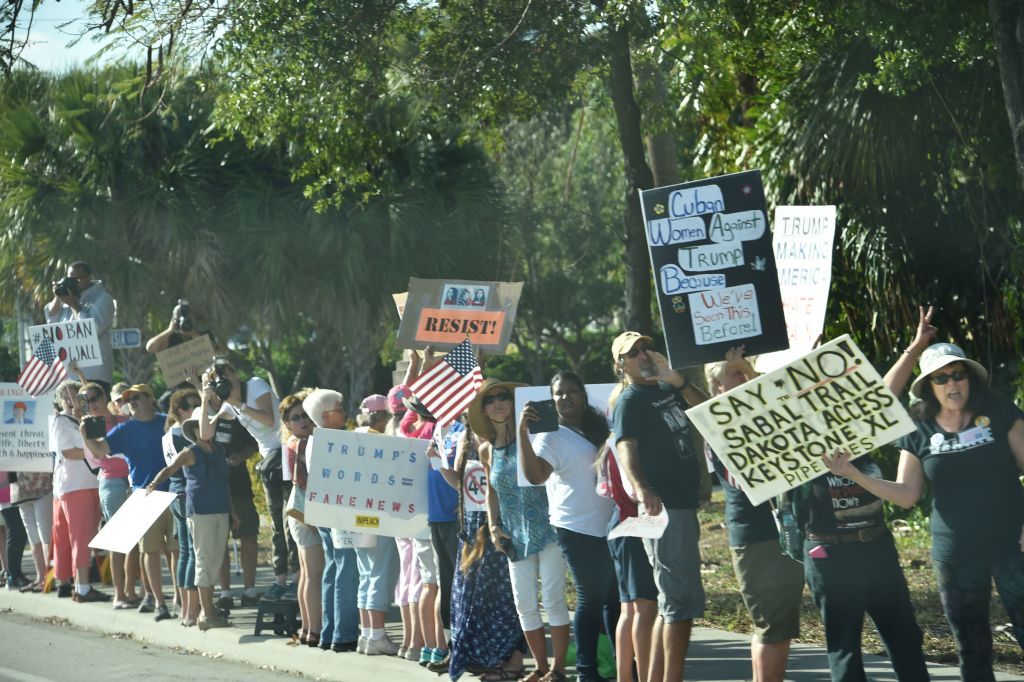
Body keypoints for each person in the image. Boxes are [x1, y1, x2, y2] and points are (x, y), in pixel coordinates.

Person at [824, 306, 1023, 681]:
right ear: (929, 387)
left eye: (958, 374)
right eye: (942, 377)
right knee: (973, 648)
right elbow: (905, 495)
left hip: (1013, 546)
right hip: (955, 556)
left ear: (969, 378)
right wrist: (851, 473)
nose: (952, 383)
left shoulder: (999, 412)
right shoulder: (917, 429)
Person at [611, 331, 709, 682]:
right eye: (632, 352)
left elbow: (707, 412)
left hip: (683, 503)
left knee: (678, 601)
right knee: (677, 601)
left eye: (645, 348)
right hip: (662, 507)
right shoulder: (630, 399)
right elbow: (625, 447)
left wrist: (678, 380)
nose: (643, 355)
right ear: (620, 365)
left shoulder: (668, 390)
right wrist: (643, 488)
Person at [704, 349, 804, 682]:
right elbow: (751, 479)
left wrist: (749, 369)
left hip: (777, 534)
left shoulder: (758, 414)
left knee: (779, 626)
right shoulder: (719, 425)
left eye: (748, 374)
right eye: (738, 375)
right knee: (772, 627)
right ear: (718, 386)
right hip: (756, 539)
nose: (747, 379)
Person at [518, 371, 619, 682]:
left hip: (612, 524)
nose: (565, 397)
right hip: (575, 526)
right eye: (559, 393)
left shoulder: (598, 425)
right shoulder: (551, 435)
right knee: (591, 596)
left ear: (583, 394)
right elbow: (535, 476)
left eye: (572, 391)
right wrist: (523, 433)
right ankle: (586, 672)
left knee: (614, 597)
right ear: (552, 398)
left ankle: (625, 665)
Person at [471, 378, 571, 682]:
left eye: (503, 397)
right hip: (514, 534)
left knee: (553, 599)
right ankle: (540, 667)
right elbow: (491, 490)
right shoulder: (487, 450)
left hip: (549, 526)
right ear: (484, 410)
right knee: (525, 604)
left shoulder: (536, 436)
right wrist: (493, 525)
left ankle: (557, 669)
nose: (498, 403)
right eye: (490, 400)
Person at [81, 383, 175, 621]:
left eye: (137, 397)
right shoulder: (125, 429)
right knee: (150, 551)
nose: (132, 401)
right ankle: (160, 603)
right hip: (143, 495)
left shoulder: (167, 421)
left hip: (174, 491)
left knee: (174, 551)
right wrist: (85, 434)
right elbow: (101, 450)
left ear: (151, 399)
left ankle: (180, 599)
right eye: (128, 398)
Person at [444, 425, 528, 680]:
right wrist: (438, 463)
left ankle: (512, 659)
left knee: (507, 596)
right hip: (473, 526)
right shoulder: (466, 438)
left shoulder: (512, 437)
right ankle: (478, 657)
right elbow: (460, 483)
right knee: (472, 596)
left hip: (506, 523)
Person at [147, 389, 234, 631]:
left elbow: (224, 483)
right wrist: (153, 485)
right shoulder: (190, 452)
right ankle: (205, 613)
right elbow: (169, 470)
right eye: (202, 424)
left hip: (220, 510)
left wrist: (232, 511)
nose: (207, 428)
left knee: (215, 561)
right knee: (203, 560)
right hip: (200, 511)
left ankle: (208, 610)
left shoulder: (220, 450)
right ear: (194, 429)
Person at [214, 360, 295, 600]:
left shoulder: (255, 385)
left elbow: (269, 420)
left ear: (235, 373)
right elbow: (209, 427)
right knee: (278, 523)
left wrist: (237, 403)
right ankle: (282, 579)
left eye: (226, 374)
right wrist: (205, 393)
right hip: (270, 462)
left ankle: (298, 576)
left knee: (292, 520)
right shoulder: (229, 404)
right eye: (219, 378)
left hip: (287, 452)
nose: (224, 380)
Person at [72, 371, 139, 609]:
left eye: (94, 399)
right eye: (86, 401)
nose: (91, 404)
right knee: (119, 541)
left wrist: (81, 375)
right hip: (111, 483)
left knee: (134, 542)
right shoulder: (89, 426)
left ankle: (130, 591)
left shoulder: (123, 421)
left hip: (134, 482)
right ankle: (119, 594)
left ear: (104, 399)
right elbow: (99, 455)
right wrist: (84, 431)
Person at [302, 388, 360, 652]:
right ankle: (344, 632)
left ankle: (330, 631)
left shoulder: (315, 439)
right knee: (346, 569)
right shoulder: (334, 440)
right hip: (340, 510)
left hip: (325, 509)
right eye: (340, 408)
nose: (345, 411)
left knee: (334, 569)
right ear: (326, 415)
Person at [51, 381, 109, 603]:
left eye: (75, 395)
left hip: (92, 483)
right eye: (65, 396)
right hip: (75, 486)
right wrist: (95, 452)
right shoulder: (61, 421)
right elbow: (68, 452)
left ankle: (78, 583)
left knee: (88, 537)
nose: (71, 399)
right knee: (81, 538)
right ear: (60, 400)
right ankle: (83, 588)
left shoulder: (88, 420)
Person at [280, 391, 324, 647]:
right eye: (296, 418)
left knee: (307, 573)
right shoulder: (302, 444)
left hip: (298, 510)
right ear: (287, 423)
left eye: (306, 415)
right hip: (305, 511)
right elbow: (306, 482)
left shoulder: (295, 442)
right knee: (313, 574)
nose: (304, 421)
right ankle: (314, 629)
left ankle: (308, 628)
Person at [44, 261, 115, 395]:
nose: (73, 283)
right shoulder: (66, 299)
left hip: (94, 374)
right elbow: (51, 321)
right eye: (69, 279)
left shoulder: (102, 299)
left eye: (77, 279)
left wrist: (73, 305)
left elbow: (91, 330)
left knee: (93, 412)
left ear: (89, 277)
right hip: (69, 374)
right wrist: (58, 296)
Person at [162, 388, 201, 625]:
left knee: (185, 552)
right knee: (192, 553)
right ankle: (191, 609)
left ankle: (186, 609)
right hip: (186, 495)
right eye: (192, 405)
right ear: (179, 410)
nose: (197, 408)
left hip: (175, 494)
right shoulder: (184, 434)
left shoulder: (168, 433)